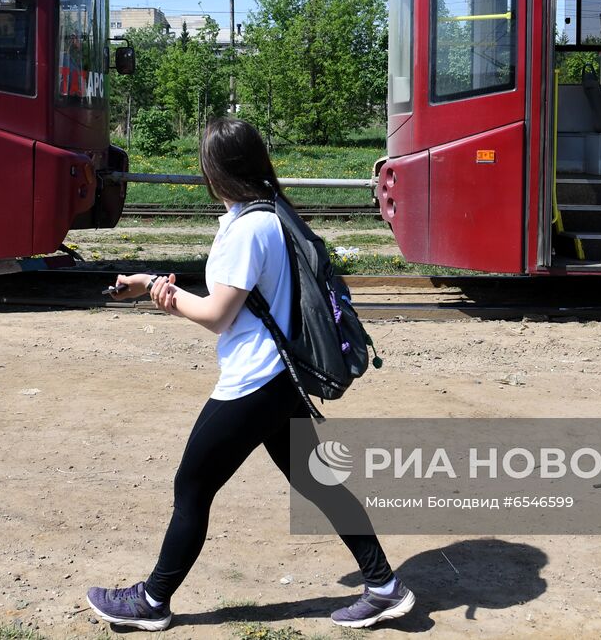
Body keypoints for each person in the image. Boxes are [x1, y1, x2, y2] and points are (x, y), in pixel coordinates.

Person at [85, 117, 413, 631]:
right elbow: (239, 300)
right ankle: (385, 586)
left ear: (218, 171)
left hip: (253, 383)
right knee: (320, 484)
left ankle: (151, 602)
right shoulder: (271, 214)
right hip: (280, 379)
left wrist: (166, 300)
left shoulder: (248, 228)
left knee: (192, 486)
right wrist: (151, 282)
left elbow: (218, 315)